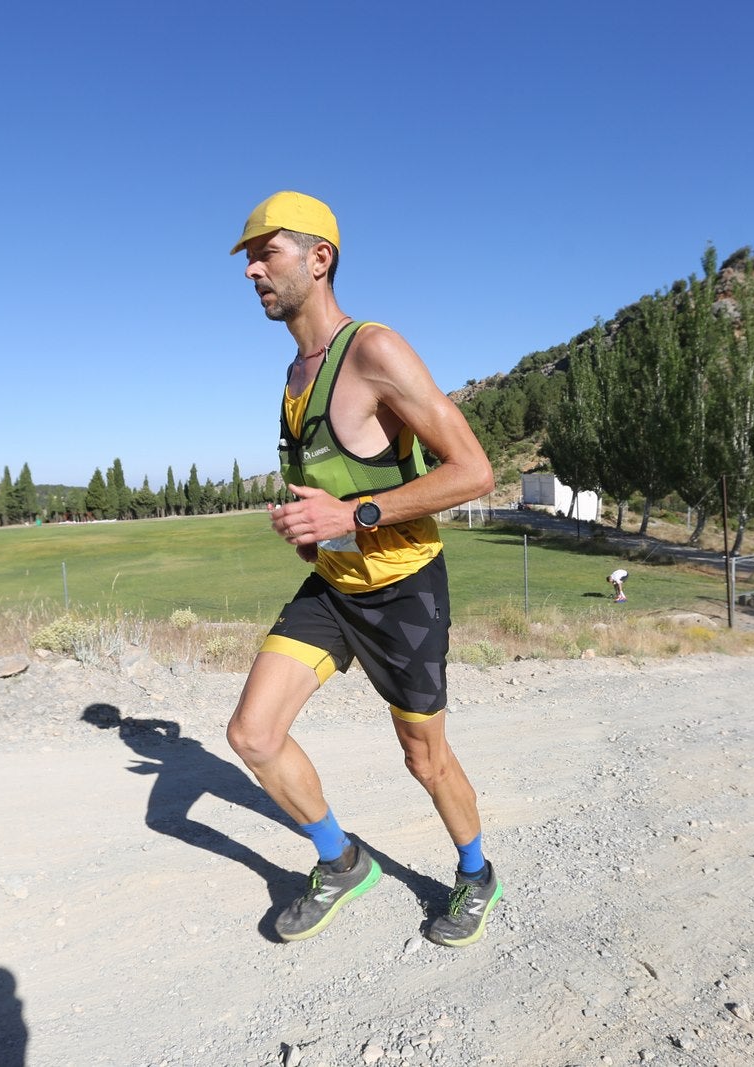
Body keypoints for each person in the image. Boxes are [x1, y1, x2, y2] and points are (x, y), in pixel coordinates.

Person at [225, 191, 501, 948]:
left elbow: (475, 470)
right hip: (336, 586)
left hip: (405, 589)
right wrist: (310, 531)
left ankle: (476, 873)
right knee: (252, 734)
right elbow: (332, 492)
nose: (251, 269)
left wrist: (353, 516)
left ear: (320, 259)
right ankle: (340, 860)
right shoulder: (292, 376)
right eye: (247, 258)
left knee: (424, 757)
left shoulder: (375, 349)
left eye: (265, 252)